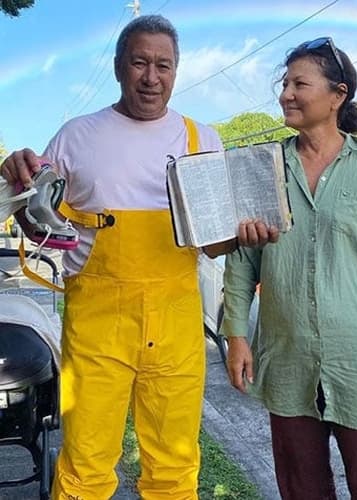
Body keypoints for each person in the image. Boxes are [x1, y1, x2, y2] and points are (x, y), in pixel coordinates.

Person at [0, 15, 223, 499]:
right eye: (140, 62)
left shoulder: (202, 139)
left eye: (163, 65)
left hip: (177, 326)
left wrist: (251, 232)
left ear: (176, 71)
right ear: (119, 66)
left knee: (175, 464)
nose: (151, 76)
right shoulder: (75, 136)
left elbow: (216, 243)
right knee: (84, 463)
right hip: (98, 325)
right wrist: (19, 188)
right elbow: (38, 225)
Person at [223, 37, 357, 499]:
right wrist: (236, 335)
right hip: (288, 359)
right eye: (284, 83)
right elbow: (241, 261)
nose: (286, 94)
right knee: (301, 489)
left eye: (300, 83)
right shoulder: (264, 168)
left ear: (338, 95)